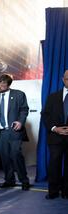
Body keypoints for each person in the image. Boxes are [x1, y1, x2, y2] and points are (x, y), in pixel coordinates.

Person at [0, 74, 31, 191]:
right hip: (0, 132)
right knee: (5, 157)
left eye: (3, 84)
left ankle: (24, 180)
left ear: (8, 84)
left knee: (16, 154)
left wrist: (20, 122)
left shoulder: (19, 94)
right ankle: (9, 180)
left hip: (14, 131)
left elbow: (24, 109)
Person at [41, 70, 68, 199]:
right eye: (67, 78)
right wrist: (55, 128)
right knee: (54, 164)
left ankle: (66, 191)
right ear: (63, 79)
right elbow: (45, 115)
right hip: (55, 135)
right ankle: (53, 191)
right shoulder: (53, 97)